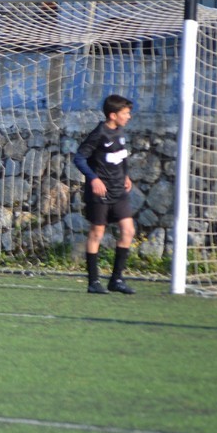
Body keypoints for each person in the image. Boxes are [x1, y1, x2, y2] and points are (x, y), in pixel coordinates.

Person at [73, 94, 136, 295]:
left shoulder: (120, 132)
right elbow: (79, 158)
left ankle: (116, 279)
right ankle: (93, 281)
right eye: (125, 113)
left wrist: (126, 176)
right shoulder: (99, 133)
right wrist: (94, 179)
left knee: (128, 231)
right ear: (113, 115)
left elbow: (121, 157)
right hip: (101, 192)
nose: (129, 117)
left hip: (119, 191)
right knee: (97, 233)